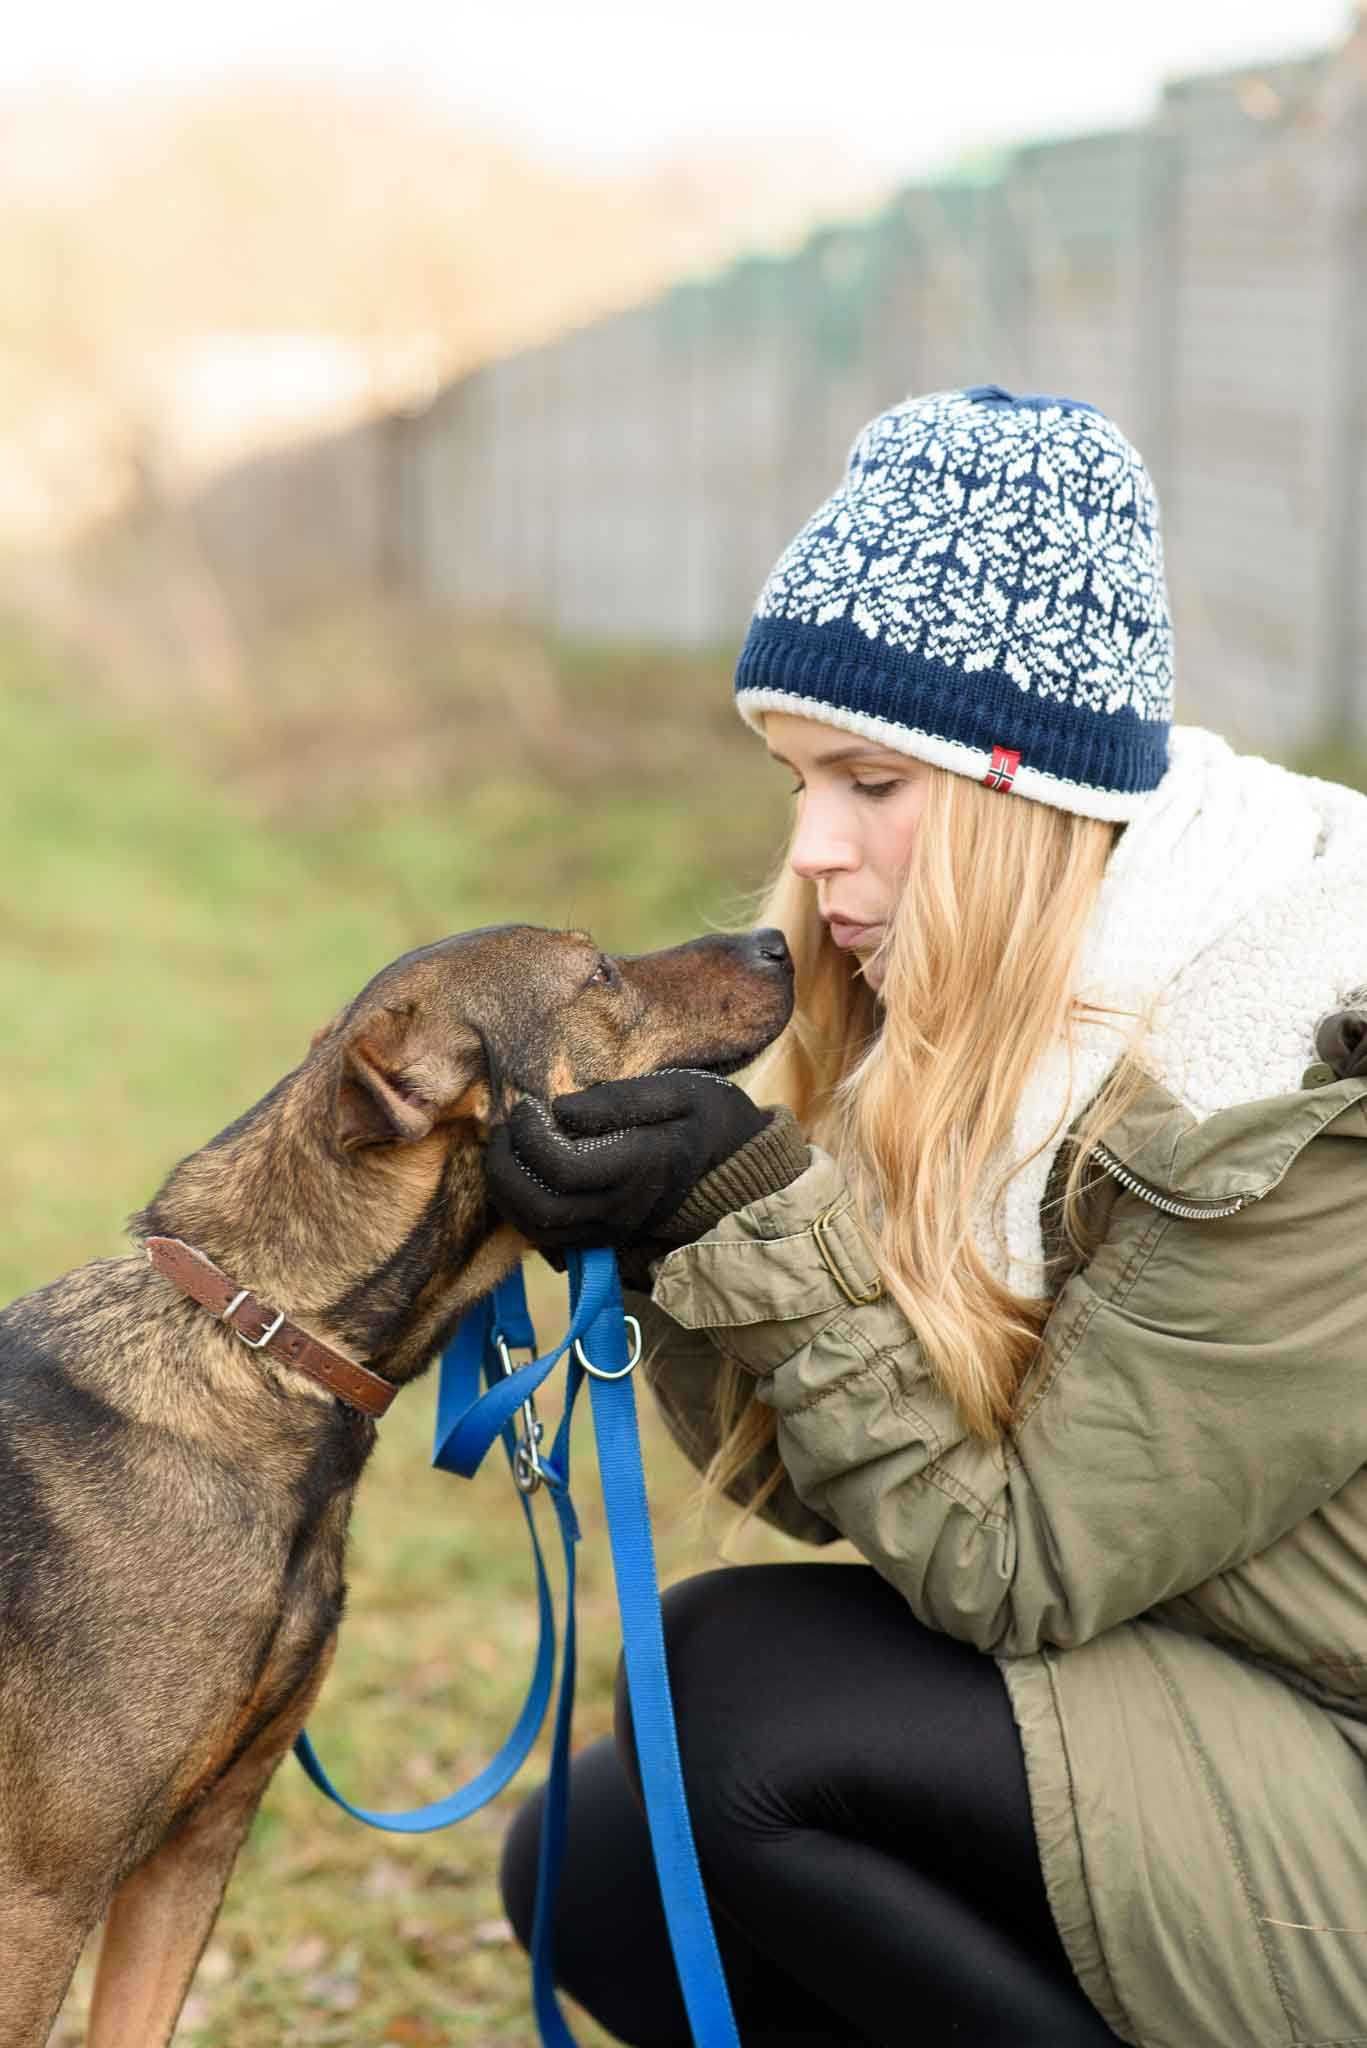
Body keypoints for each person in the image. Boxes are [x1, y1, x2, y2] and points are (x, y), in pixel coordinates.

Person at [486, 386, 1367, 2047]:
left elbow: (1008, 1564)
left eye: (868, 780)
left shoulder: (1303, 1081)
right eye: (797, 777)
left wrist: (738, 1212)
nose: (812, 846)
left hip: (1344, 1779)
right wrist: (668, 1235)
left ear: (1014, 785)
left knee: (731, 1692)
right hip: (1222, 1698)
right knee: (598, 1867)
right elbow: (833, 1497)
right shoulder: (1002, 1016)